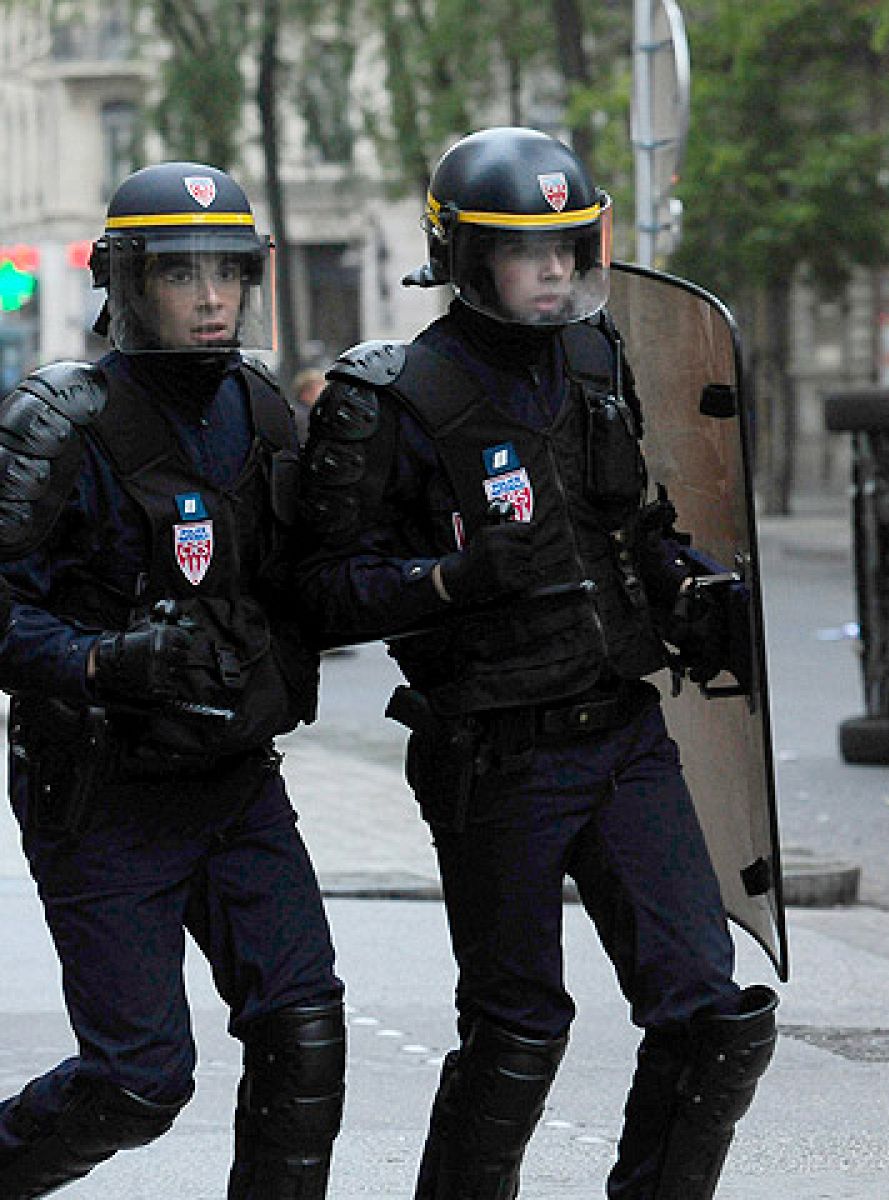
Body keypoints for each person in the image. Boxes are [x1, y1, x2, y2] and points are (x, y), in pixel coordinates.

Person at [295, 126, 776, 1199]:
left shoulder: (598, 357)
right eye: (528, 251)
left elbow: (630, 522)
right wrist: (446, 585)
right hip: (495, 755)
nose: (556, 271)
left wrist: (685, 584)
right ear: (466, 258)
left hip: (621, 732)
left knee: (710, 1011)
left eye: (570, 246)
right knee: (517, 1029)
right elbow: (320, 590)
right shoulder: (388, 399)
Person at [0, 162, 344, 1197]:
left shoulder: (265, 409)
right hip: (102, 789)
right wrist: (102, 661)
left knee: (305, 1038)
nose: (209, 298)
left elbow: (308, 586)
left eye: (227, 274)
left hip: (236, 781)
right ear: (127, 284)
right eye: (181, 274)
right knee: (139, 1084)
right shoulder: (59, 419)